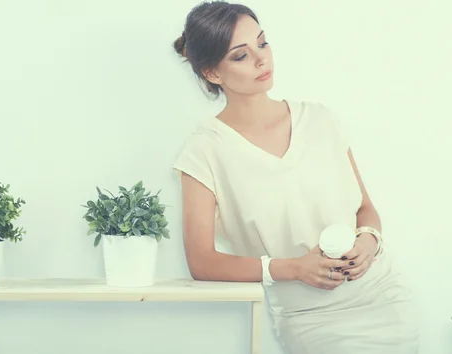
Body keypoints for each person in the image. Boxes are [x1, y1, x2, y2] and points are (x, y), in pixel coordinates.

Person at [171, 1, 420, 353]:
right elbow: (201, 261)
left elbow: (365, 210)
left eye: (262, 42)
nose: (262, 59)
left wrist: (369, 242)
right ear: (213, 74)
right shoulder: (204, 150)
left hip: (384, 302)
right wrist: (294, 268)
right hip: (309, 319)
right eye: (240, 56)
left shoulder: (320, 121)